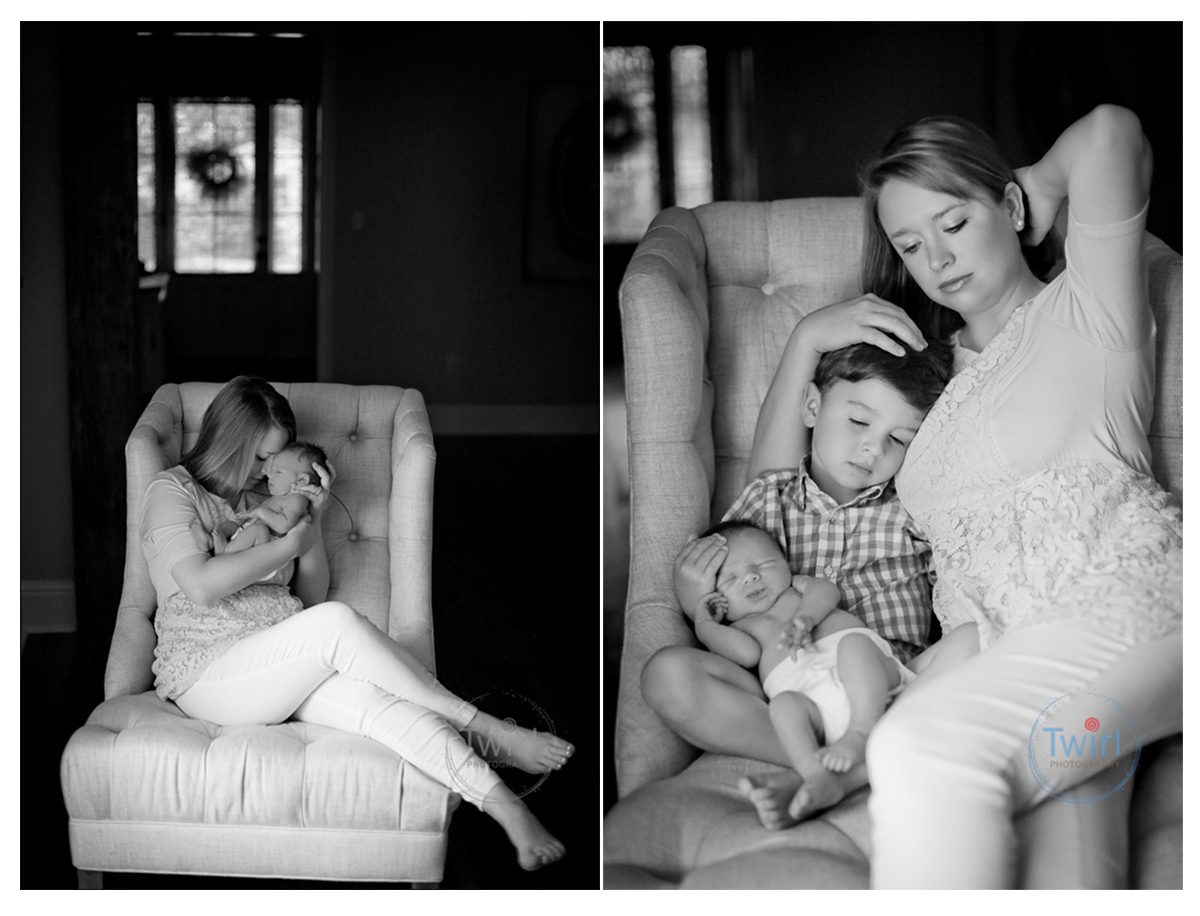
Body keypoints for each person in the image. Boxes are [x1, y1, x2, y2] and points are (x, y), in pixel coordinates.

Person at [750, 105, 1181, 888]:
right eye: (911, 245)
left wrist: (1042, 184)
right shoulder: (918, 381)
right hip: (1001, 656)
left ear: (1009, 209)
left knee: (921, 748)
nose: (937, 259)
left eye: (953, 222)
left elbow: (1113, 132)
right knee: (1066, 872)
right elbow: (780, 496)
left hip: (1127, 599)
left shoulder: (1089, 307)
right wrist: (809, 340)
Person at [142, 375, 574, 871]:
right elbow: (200, 585)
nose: (269, 472)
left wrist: (316, 523)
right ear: (228, 441)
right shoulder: (173, 490)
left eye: (277, 460)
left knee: (378, 706)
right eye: (261, 458)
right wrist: (290, 543)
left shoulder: (267, 504)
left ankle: (507, 808)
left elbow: (307, 596)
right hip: (207, 671)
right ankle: (487, 729)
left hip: (272, 665)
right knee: (337, 623)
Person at [648, 338, 953, 827]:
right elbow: (725, 589)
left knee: (973, 639)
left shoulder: (913, 511)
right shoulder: (769, 498)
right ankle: (820, 769)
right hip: (794, 696)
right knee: (666, 674)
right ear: (812, 405)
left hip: (889, 679)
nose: (874, 447)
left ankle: (851, 760)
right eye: (858, 421)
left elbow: (952, 591)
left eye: (900, 439)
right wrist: (695, 597)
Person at [686, 519, 916, 817]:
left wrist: (808, 616)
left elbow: (827, 591)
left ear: (785, 563)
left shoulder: (797, 589)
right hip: (814, 707)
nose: (751, 577)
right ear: (719, 601)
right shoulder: (741, 626)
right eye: (730, 579)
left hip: (869, 677)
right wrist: (703, 623)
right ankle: (815, 773)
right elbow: (746, 654)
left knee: (854, 646)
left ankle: (859, 733)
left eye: (765, 564)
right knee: (782, 706)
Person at [190, 441, 328, 558]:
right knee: (231, 526)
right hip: (250, 539)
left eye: (278, 472)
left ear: (302, 480)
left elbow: (283, 525)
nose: (268, 475)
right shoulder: (279, 497)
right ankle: (210, 540)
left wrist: (260, 512)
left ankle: (224, 552)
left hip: (264, 551)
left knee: (258, 529)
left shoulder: (297, 499)